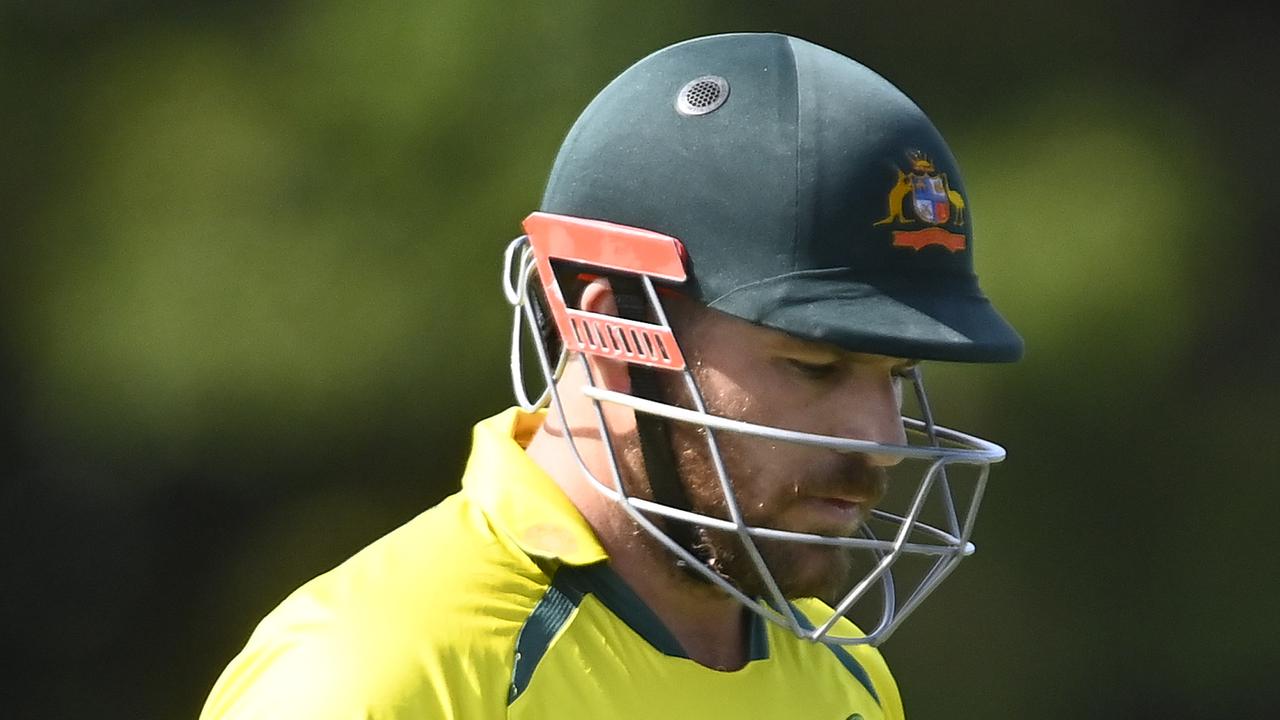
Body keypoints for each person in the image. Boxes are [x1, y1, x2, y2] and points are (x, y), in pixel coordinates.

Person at [201, 32, 1022, 720]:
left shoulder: (850, 684)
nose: (879, 441)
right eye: (815, 365)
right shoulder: (382, 676)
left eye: (898, 374)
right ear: (614, 324)